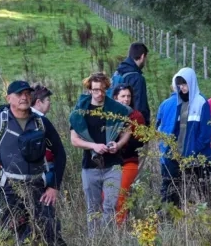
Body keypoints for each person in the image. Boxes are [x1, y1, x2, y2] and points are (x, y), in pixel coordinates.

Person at [0, 81, 66, 245]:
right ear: (9, 98)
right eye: (19, 94)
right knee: (12, 235)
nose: (24, 97)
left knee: (50, 232)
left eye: (28, 93)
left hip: (39, 187)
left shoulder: (41, 123)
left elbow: (60, 153)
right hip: (9, 189)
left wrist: (54, 186)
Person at [70, 72, 130, 235]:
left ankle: (108, 239)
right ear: (89, 89)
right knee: (93, 209)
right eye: (96, 90)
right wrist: (93, 146)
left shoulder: (116, 109)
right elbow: (74, 139)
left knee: (110, 206)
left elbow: (127, 130)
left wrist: (117, 144)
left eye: (103, 90)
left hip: (113, 164)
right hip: (90, 165)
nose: (99, 94)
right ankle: (94, 240)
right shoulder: (81, 111)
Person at [157, 68, 211, 207]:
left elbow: (206, 132)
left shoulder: (201, 102)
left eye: (185, 84)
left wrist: (194, 150)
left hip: (196, 156)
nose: (182, 88)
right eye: (180, 85)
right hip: (176, 154)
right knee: (175, 190)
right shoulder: (177, 101)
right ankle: (173, 216)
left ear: (191, 82)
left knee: (202, 190)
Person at [112, 83, 145, 225]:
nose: (126, 99)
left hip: (129, 160)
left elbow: (141, 141)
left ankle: (120, 229)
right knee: (106, 197)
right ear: (115, 98)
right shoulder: (108, 114)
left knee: (121, 196)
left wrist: (125, 139)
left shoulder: (136, 116)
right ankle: (107, 229)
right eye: (122, 96)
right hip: (110, 161)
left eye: (128, 96)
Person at [116, 42, 151, 125]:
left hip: (117, 121)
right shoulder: (137, 78)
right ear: (142, 56)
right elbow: (140, 106)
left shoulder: (118, 72)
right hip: (133, 125)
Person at [31, 84, 57, 186]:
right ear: (38, 102)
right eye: (47, 100)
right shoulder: (39, 120)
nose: (50, 103)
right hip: (43, 169)